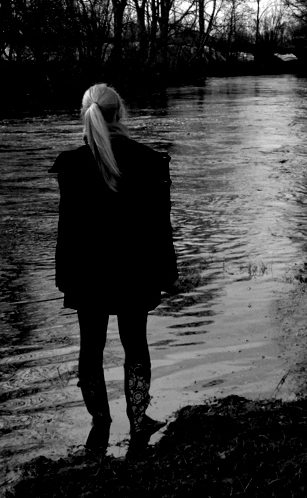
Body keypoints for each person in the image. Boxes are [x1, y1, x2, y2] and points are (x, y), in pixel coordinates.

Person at [49, 83, 178, 455]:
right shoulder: (148, 161)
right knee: (135, 344)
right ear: (120, 113)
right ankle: (138, 420)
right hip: (134, 270)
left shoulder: (71, 164)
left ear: (85, 115)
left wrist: (63, 277)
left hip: (86, 272)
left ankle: (100, 422)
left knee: (90, 347)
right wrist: (168, 272)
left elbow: (67, 229)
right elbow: (160, 226)